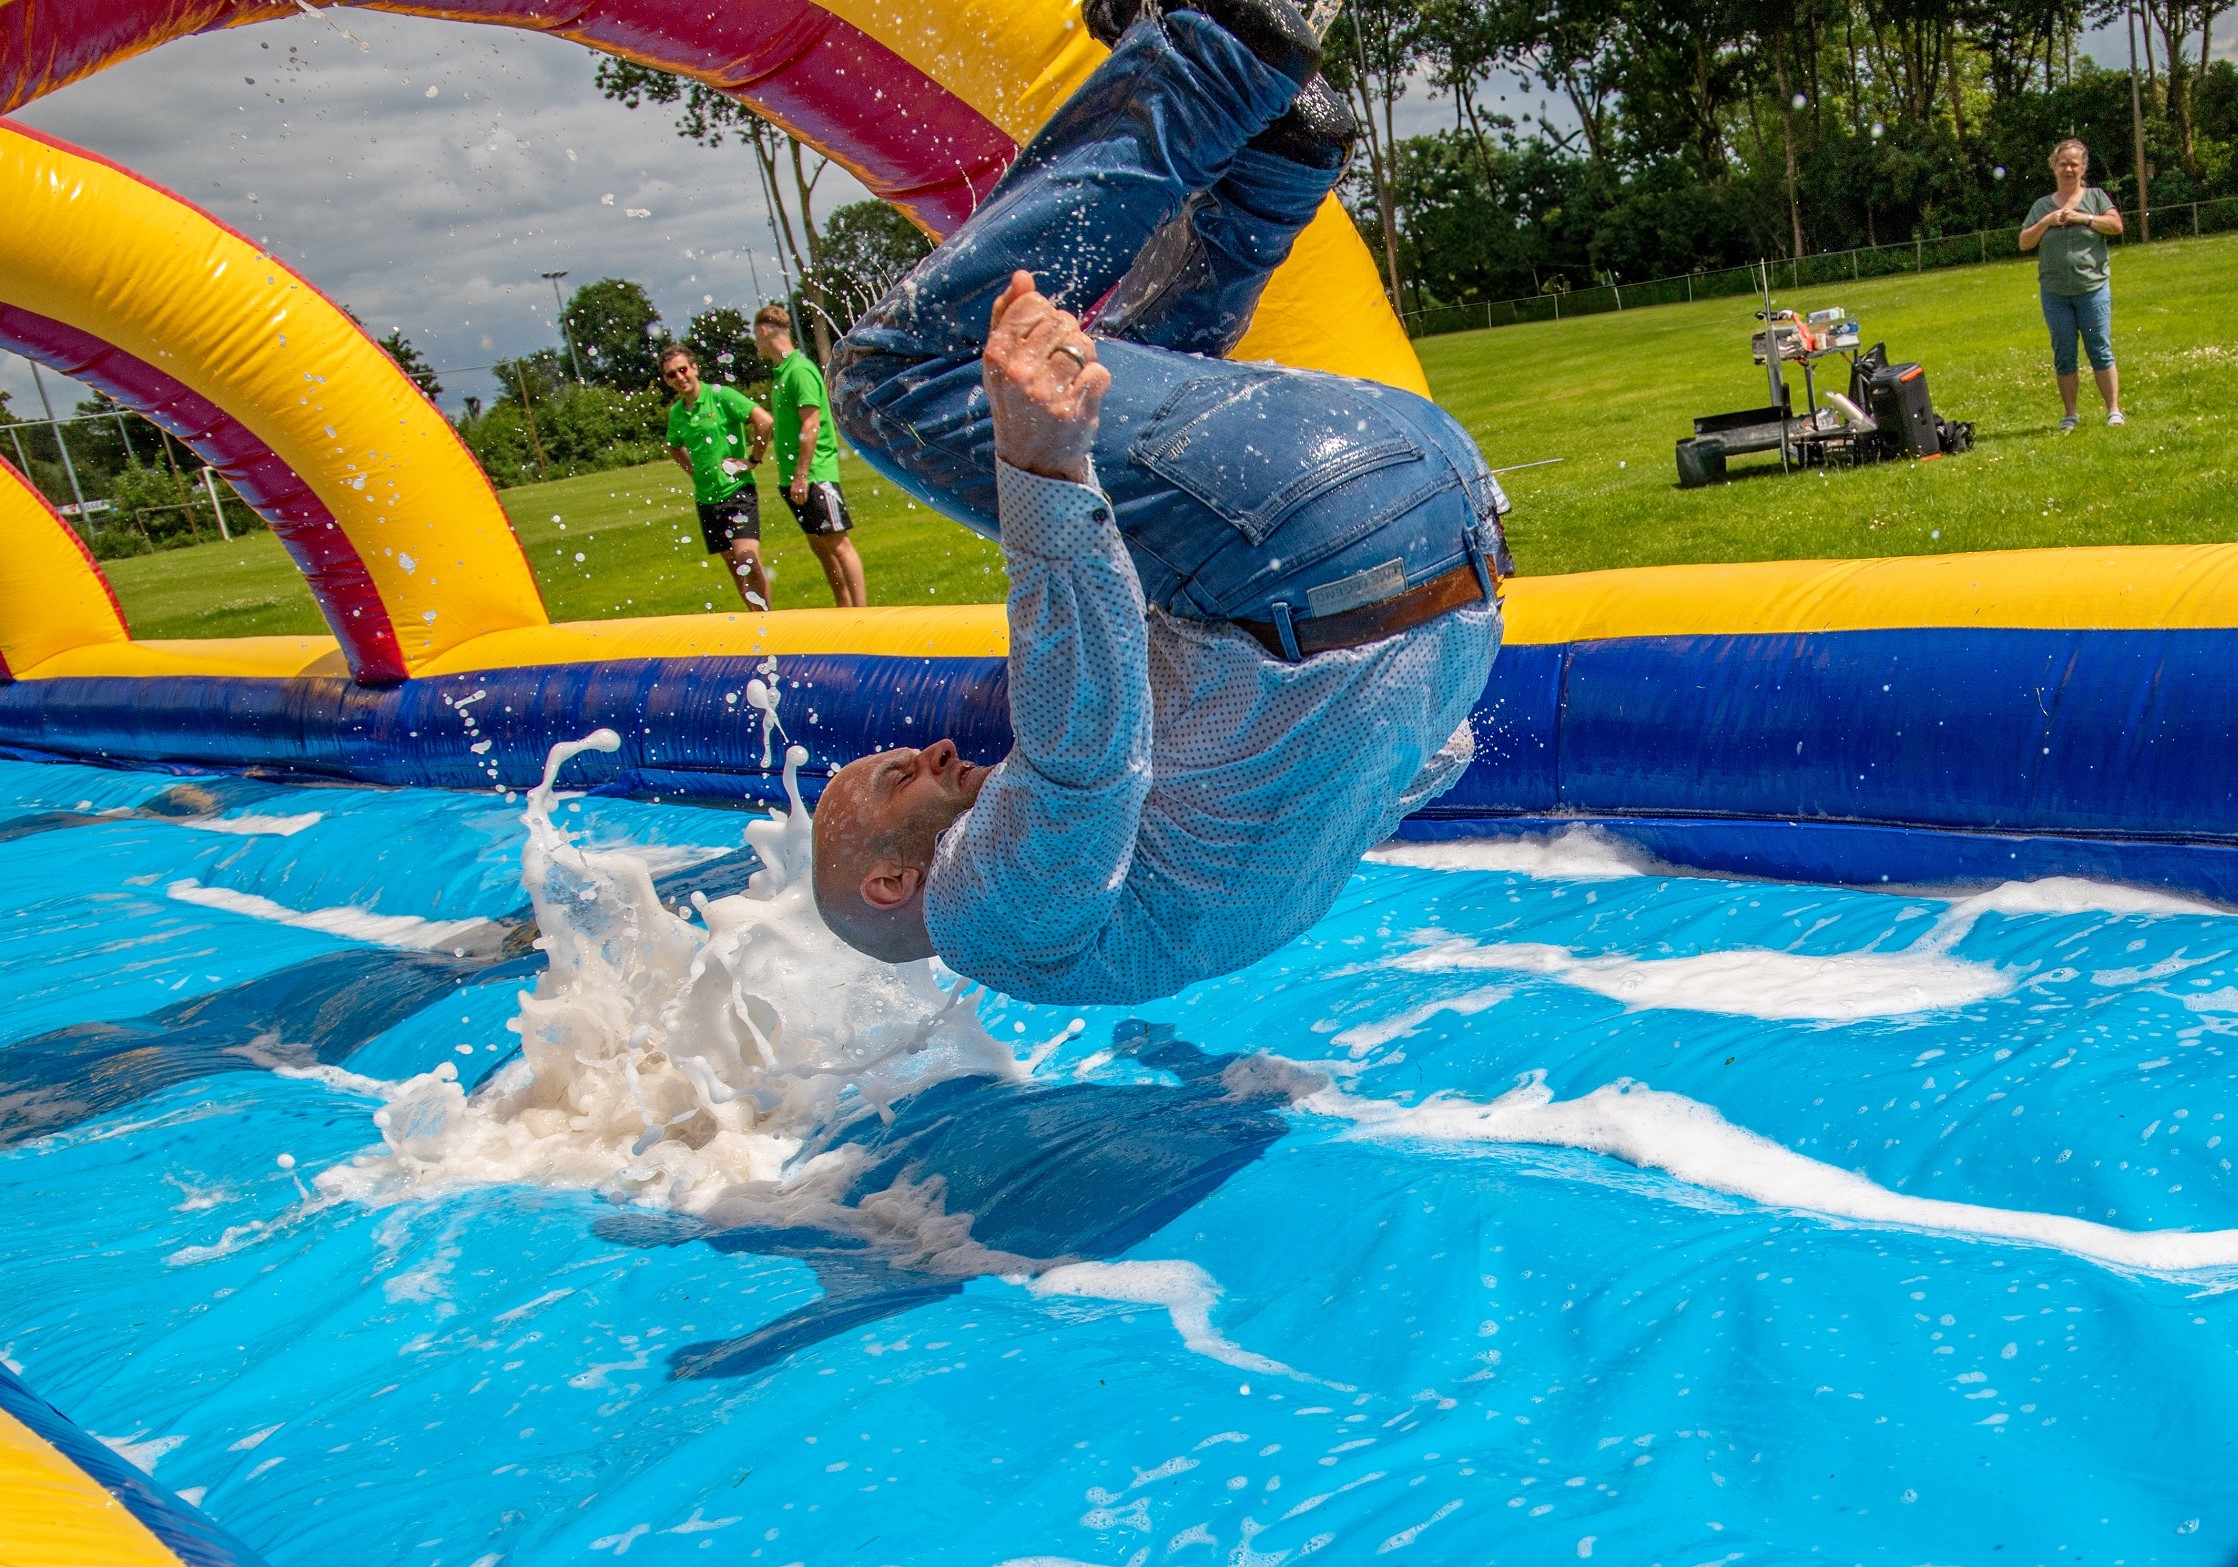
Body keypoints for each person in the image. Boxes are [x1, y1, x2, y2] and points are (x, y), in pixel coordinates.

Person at [808, 0, 1509, 1006]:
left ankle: (1276, 168)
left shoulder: (1143, 925)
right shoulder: (984, 917)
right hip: (1307, 542)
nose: (938, 749)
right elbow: (1085, 763)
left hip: (1451, 534)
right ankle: (1213, 61)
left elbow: (1434, 759)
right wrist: (1043, 470)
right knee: (893, 382)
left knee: (1119, 452)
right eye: (898, 776)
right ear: (890, 884)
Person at [755, 305, 868, 607]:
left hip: (814, 474)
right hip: (794, 477)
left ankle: (863, 614)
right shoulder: (782, 373)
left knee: (839, 544)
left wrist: (802, 475)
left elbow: (811, 425)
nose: (756, 343)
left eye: (756, 336)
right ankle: (843, 609)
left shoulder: (800, 371)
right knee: (820, 547)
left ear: (764, 331)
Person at [2019, 137, 2125, 432]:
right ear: (2054, 167)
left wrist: (2083, 218)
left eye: (2074, 164)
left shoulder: (2096, 197)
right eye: (2063, 163)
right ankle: (2070, 415)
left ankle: (2113, 410)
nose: (2068, 169)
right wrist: (2047, 222)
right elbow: (2024, 242)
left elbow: (2116, 226)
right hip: (2055, 294)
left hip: (2092, 290)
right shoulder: (2042, 206)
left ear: (2083, 168)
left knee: (2099, 350)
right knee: (2064, 354)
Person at [662, 343, 774, 609]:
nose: (679, 377)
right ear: (667, 380)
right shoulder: (677, 413)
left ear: (694, 368)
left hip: (737, 492)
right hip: (706, 498)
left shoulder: (720, 396)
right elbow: (673, 446)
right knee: (734, 566)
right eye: (672, 374)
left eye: (683, 369)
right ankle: (755, 618)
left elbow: (764, 421)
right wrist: (693, 471)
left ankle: (768, 621)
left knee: (747, 559)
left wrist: (752, 460)